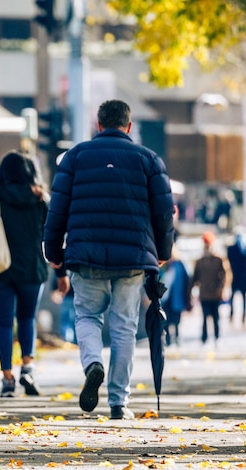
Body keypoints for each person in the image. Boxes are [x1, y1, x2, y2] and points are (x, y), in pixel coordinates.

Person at [44, 99, 175, 420]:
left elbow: (57, 209)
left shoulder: (74, 158)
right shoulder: (149, 160)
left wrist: (54, 252)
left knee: (87, 317)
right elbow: (163, 212)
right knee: (124, 328)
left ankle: (93, 364)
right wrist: (162, 252)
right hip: (132, 258)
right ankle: (119, 402)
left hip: (85, 256)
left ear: (98, 125)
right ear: (129, 127)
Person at [0, 151, 60, 398]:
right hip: (32, 268)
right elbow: (53, 236)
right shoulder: (42, 199)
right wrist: (60, 270)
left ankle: (7, 379)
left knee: (3, 322)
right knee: (27, 318)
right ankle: (27, 367)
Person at [191, 231, 229, 345]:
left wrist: (221, 288)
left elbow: (226, 275)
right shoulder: (200, 261)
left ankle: (217, 337)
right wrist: (192, 291)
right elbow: (195, 277)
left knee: (215, 317)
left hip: (215, 294)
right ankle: (204, 338)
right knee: (204, 317)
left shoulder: (219, 260)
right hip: (204, 294)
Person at [160, 245, 191, 346]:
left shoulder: (179, 264)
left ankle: (177, 337)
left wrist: (188, 294)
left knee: (176, 319)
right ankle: (168, 340)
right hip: (165, 298)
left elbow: (187, 278)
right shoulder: (163, 266)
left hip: (177, 297)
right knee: (166, 319)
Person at [226, 230, 246, 326]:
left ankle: (238, 315)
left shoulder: (236, 248)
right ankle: (237, 315)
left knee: (239, 297)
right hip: (238, 276)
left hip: (237, 276)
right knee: (237, 297)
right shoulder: (242, 248)